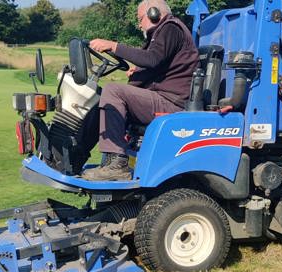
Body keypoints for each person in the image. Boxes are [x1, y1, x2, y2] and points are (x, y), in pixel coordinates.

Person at [81, 0, 199, 181]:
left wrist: (114, 46)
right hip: (163, 97)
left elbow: (152, 59)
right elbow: (154, 63)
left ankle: (117, 164)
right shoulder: (161, 34)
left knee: (113, 90)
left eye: (140, 18)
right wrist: (137, 72)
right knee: (106, 96)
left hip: (171, 103)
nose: (139, 24)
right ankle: (84, 156)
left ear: (153, 14)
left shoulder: (171, 28)